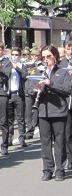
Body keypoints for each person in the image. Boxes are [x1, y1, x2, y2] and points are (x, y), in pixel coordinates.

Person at [35, 46, 71, 181]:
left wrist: (51, 84)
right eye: (43, 57)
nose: (46, 60)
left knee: (59, 142)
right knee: (45, 142)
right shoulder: (40, 72)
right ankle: (47, 169)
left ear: (55, 56)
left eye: (48, 56)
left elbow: (67, 90)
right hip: (43, 111)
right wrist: (34, 88)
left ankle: (60, 169)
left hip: (58, 112)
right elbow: (27, 88)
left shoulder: (63, 72)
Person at [8, 47, 28, 148]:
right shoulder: (8, 65)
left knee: (20, 118)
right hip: (9, 94)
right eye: (13, 55)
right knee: (10, 118)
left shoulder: (22, 66)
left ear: (19, 56)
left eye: (16, 55)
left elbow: (25, 76)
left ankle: (22, 138)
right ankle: (9, 138)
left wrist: (16, 67)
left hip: (19, 94)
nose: (14, 57)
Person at [58, 36, 72, 169]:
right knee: (66, 134)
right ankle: (69, 159)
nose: (71, 51)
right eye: (68, 48)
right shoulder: (61, 65)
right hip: (66, 103)